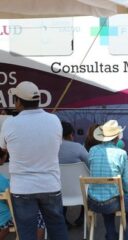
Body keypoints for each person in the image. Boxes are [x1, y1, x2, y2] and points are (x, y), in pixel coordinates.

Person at [0, 81, 69, 240]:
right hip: (50, 185)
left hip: (22, 188)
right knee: (57, 229)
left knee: (26, 233)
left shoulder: (9, 123)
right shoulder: (54, 120)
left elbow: (2, 147)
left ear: (18, 101)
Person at [87, 120, 128, 240]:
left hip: (93, 203)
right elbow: (126, 181)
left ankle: (111, 235)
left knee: (107, 198)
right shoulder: (121, 153)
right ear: (117, 137)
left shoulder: (92, 150)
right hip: (112, 203)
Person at [58, 121, 89, 227]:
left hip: (57, 191)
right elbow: (90, 164)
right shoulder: (78, 147)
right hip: (79, 192)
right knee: (86, 181)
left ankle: (62, 218)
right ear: (71, 134)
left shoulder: (50, 147)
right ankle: (82, 216)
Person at [0, 174, 46, 240]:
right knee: (39, 214)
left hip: (3, 219)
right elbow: (12, 200)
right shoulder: (1, 180)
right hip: (6, 219)